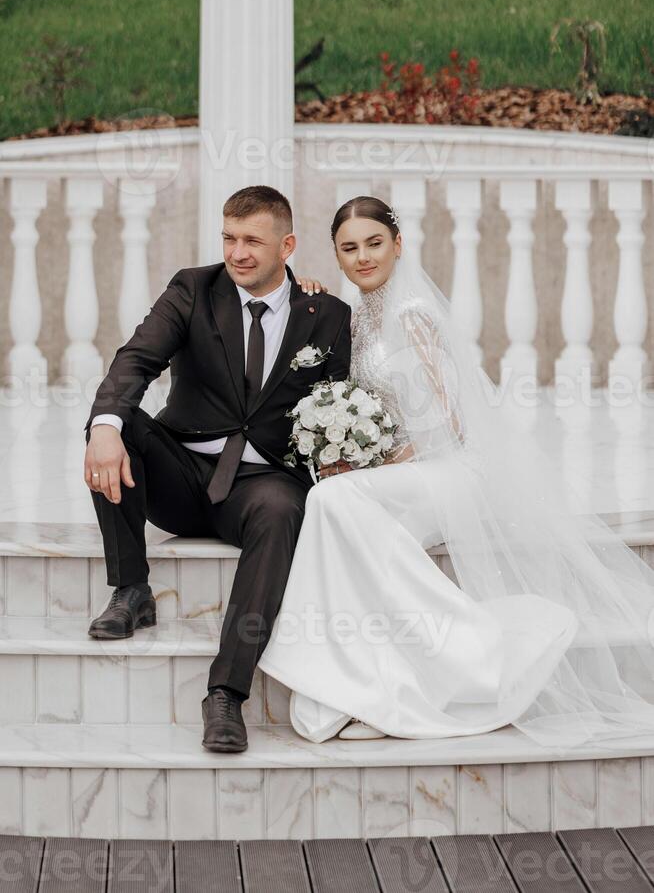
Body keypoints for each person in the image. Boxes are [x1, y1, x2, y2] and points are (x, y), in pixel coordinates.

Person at [258, 195, 654, 748]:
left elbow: (452, 422)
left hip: (449, 470)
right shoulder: (359, 311)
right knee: (342, 509)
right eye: (349, 249)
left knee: (332, 502)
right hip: (405, 471)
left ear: (397, 244)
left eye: (374, 243)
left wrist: (385, 460)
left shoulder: (410, 312)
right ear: (337, 257)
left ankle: (472, 655)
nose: (363, 257)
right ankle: (371, 683)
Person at [83, 185, 351, 753]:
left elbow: (341, 404)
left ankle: (226, 695)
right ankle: (131, 588)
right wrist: (104, 426)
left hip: (261, 485)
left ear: (288, 245)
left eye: (254, 240)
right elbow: (138, 358)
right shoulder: (193, 289)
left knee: (284, 508)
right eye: (229, 238)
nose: (238, 253)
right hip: (182, 473)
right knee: (117, 423)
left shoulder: (325, 315)